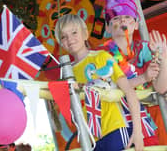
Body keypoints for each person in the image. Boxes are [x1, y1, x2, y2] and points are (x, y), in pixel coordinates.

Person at [55, 14, 144, 151]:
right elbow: (72, 111)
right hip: (90, 138)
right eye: (63, 36)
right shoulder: (66, 74)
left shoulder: (102, 57)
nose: (70, 39)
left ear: (85, 34)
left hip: (114, 129)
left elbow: (129, 92)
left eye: (74, 32)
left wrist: (138, 132)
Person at [100, 0, 167, 145]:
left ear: (136, 24)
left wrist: (163, 60)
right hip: (114, 123)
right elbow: (110, 88)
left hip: (145, 122)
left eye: (128, 17)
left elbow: (161, 88)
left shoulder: (144, 49)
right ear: (108, 27)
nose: (122, 20)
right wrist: (143, 78)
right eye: (116, 17)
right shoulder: (101, 54)